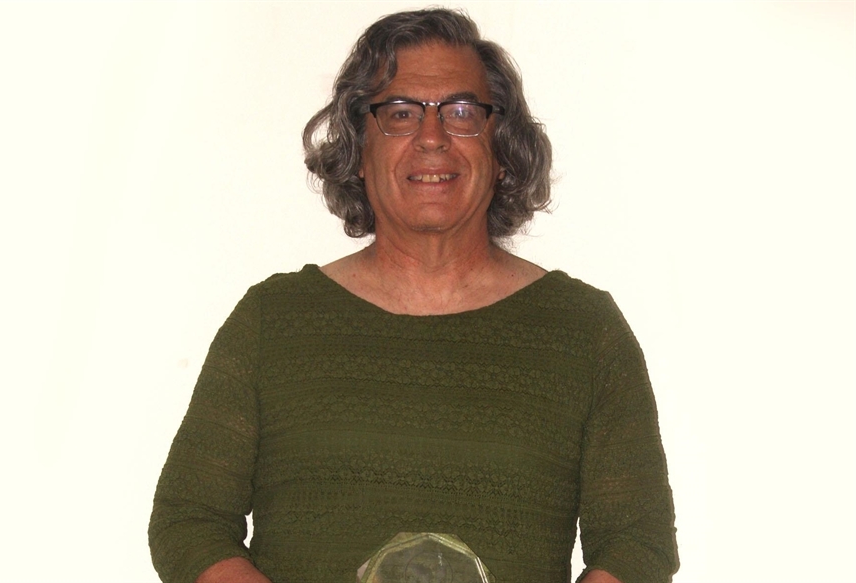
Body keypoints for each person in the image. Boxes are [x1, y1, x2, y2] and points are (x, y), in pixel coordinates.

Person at [149, 8, 678, 583]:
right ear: (360, 148)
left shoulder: (584, 331)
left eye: (461, 112)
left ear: (500, 147)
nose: (432, 137)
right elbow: (190, 521)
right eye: (400, 114)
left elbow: (637, 546)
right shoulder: (273, 320)